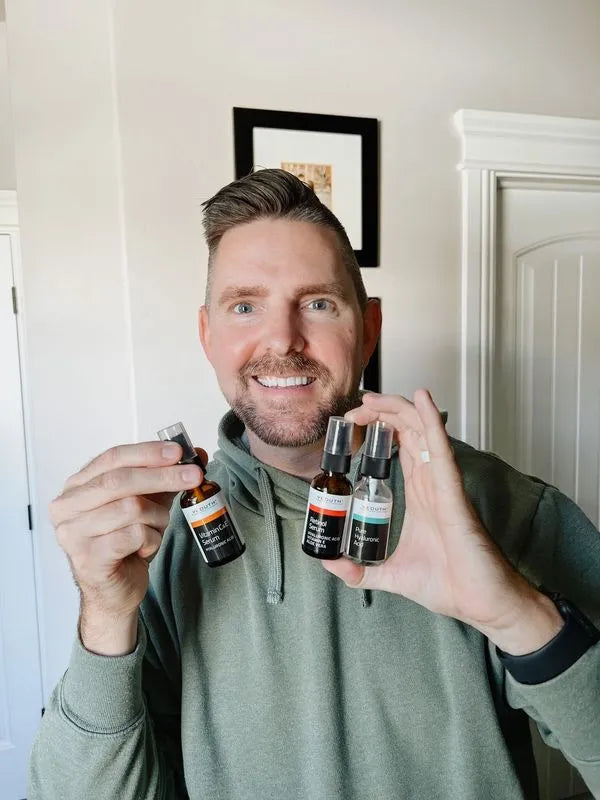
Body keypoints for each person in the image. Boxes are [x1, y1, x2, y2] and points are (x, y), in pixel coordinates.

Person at [29, 169, 600, 800]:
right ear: (207, 334)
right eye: (245, 306)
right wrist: (107, 616)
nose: (282, 339)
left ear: (369, 328)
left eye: (318, 303)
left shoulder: (505, 506)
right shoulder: (157, 540)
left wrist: (518, 616)